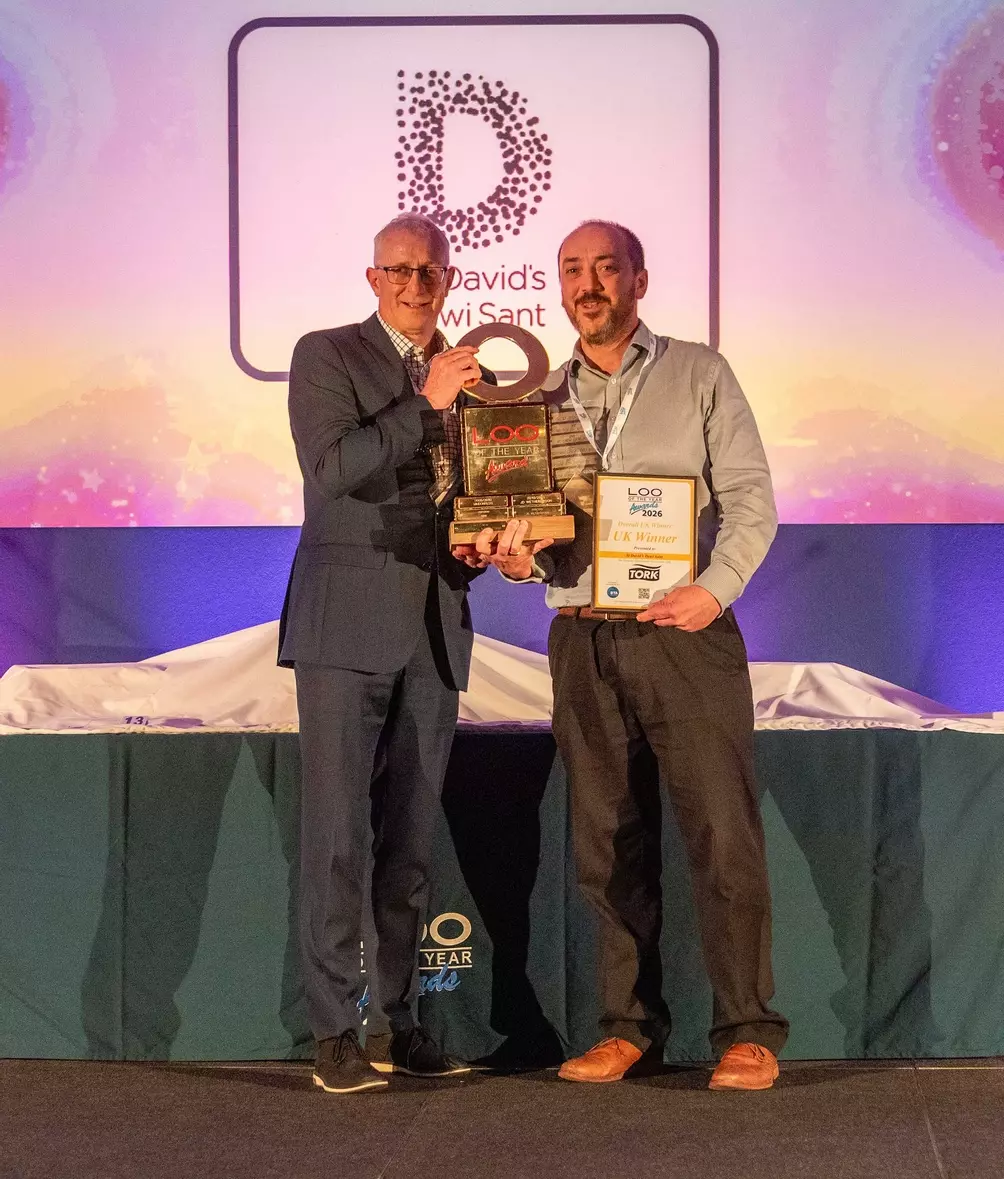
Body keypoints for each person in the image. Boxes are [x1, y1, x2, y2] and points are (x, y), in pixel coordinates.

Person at [455, 220, 789, 1089]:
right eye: (573, 270)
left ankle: (747, 1029)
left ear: (639, 279)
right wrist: (522, 561)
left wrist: (713, 589)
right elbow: (541, 532)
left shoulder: (699, 372)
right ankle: (628, 1026)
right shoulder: (538, 399)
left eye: (606, 267)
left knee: (722, 834)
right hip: (582, 635)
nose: (588, 284)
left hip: (686, 632)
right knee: (607, 842)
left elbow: (751, 500)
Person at [279, 213, 489, 1094]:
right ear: (373, 280)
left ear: (449, 279)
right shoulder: (326, 354)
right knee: (337, 837)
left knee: (408, 845)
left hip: (435, 623)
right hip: (344, 628)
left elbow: (473, 495)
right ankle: (335, 1030)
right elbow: (334, 468)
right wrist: (425, 401)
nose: (414, 285)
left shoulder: (471, 380)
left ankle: (398, 1024)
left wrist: (482, 544)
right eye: (398, 271)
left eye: (428, 271)